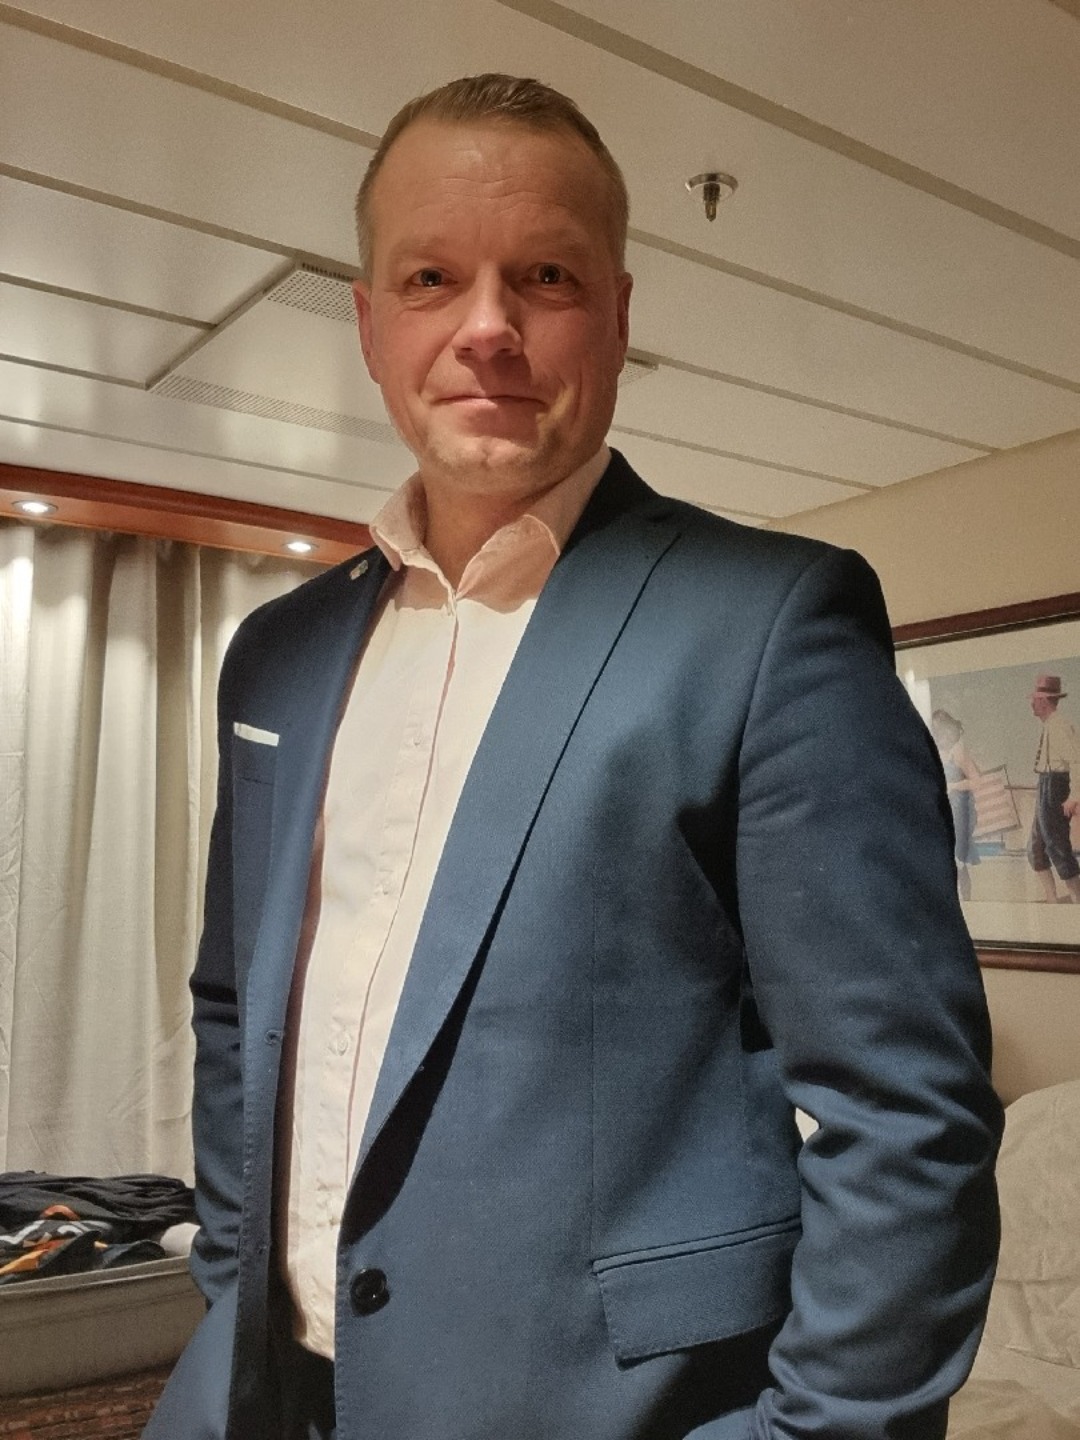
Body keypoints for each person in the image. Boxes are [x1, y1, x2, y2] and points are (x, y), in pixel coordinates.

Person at [144, 73, 1001, 1440]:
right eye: (432, 276)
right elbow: (235, 1011)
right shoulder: (278, 654)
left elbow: (904, 1115)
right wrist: (234, 1283)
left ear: (616, 312)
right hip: (271, 1397)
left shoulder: (771, 623)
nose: (487, 326)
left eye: (544, 275)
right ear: (369, 322)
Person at [1027, 673, 1080, 903]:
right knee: (1035, 849)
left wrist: (1074, 796)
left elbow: (1077, 762)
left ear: (1045, 701)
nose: (1032, 703)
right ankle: (1052, 903)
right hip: (1045, 786)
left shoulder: (1061, 726)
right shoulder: (1049, 726)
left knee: (1058, 847)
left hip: (1056, 788)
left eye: (1035, 699)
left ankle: (1077, 902)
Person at [931, 708, 982, 900]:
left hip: (959, 811)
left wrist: (953, 786)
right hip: (941, 810)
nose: (938, 734)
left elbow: (977, 781)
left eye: (940, 730)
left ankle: (966, 901)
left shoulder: (958, 752)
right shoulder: (936, 752)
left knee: (958, 859)